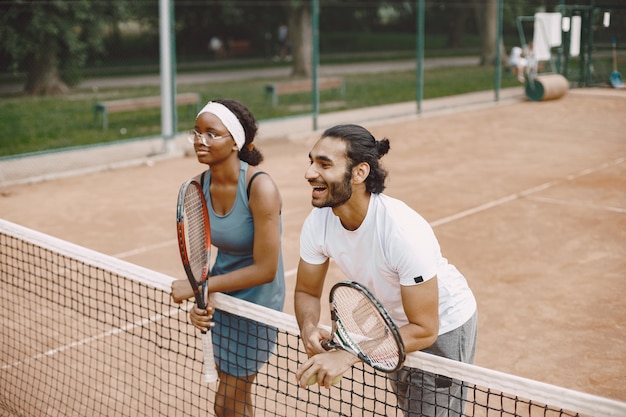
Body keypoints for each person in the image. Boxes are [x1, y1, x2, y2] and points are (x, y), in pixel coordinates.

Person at [293, 124, 478, 417]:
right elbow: (306, 291)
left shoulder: (401, 231)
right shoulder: (318, 223)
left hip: (441, 324)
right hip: (390, 325)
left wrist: (349, 353)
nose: (309, 173)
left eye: (324, 164)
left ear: (359, 173)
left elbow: (425, 329)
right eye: (311, 161)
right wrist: (308, 328)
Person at [171, 99, 285, 417]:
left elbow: (265, 269)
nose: (199, 140)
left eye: (211, 134)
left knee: (226, 405)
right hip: (222, 296)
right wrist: (202, 298)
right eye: (196, 132)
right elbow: (200, 256)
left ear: (235, 142)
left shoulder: (260, 187)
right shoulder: (197, 187)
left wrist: (204, 287)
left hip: (259, 302)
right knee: (237, 403)